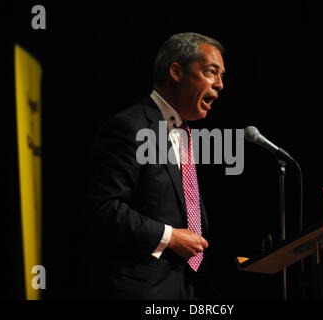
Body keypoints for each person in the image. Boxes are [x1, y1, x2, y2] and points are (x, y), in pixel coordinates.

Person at [84, 32, 225, 299]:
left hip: (189, 289)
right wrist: (170, 236)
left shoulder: (184, 133)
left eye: (221, 76)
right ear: (176, 71)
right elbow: (102, 209)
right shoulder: (129, 127)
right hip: (142, 291)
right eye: (211, 72)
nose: (219, 84)